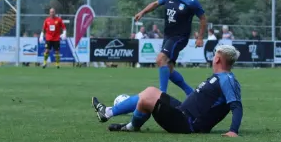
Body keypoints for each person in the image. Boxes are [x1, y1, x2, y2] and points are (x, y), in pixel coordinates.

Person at [92, 44, 243, 136]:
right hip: (183, 112)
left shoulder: (227, 79)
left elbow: (236, 106)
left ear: (217, 59)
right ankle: (119, 119)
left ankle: (113, 115)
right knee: (149, 94)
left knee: (148, 96)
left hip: (188, 124)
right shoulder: (221, 77)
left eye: (215, 56)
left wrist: (233, 131)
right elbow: (201, 100)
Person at [134, 0, 207, 95]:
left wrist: (200, 37)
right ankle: (190, 93)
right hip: (168, 36)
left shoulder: (191, 1)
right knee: (169, 69)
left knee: (160, 59)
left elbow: (203, 19)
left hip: (180, 38)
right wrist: (142, 12)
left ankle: (161, 94)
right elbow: (155, 4)